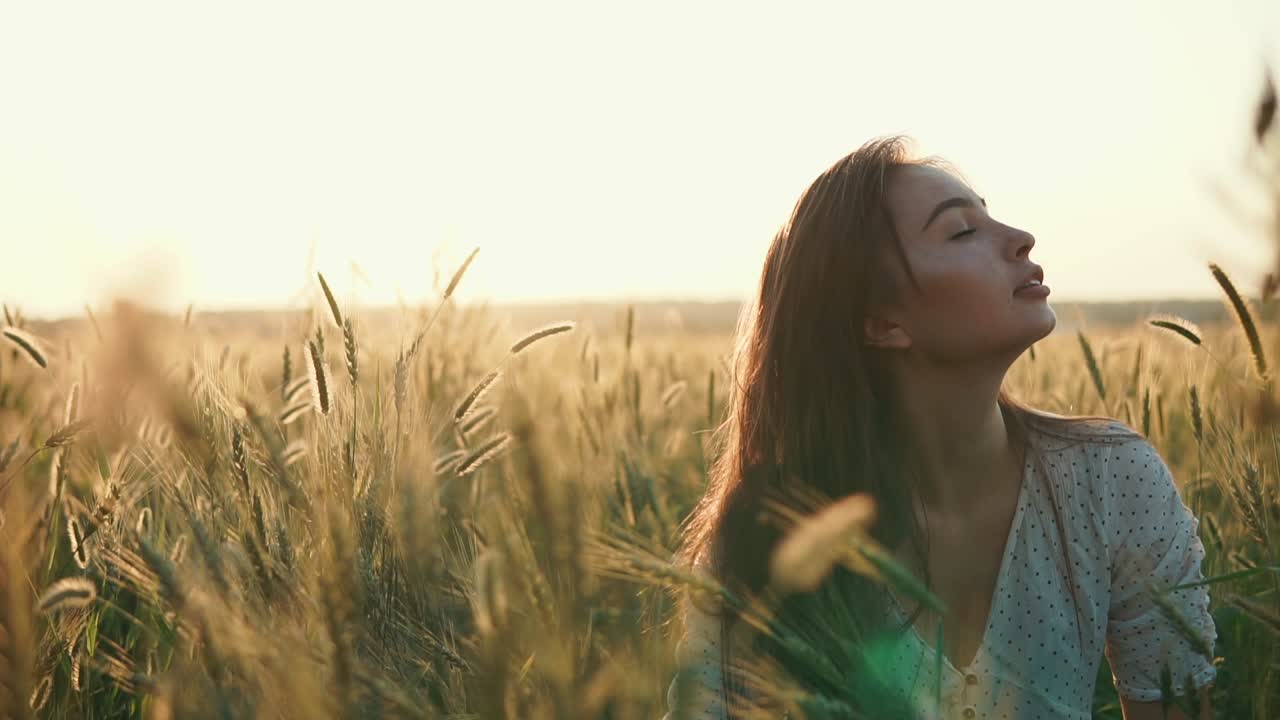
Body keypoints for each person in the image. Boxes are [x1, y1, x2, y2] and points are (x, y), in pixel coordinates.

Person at [662, 135, 1218, 719]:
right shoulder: (769, 535)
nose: (1020, 237)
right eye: (962, 231)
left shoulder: (1109, 480)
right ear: (881, 321)